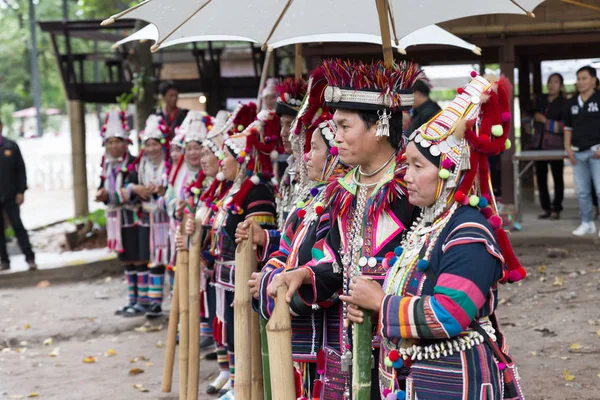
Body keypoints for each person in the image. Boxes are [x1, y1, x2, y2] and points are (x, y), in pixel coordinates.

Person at [342, 73, 525, 399]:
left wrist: (380, 303)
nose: (406, 176)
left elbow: (450, 313)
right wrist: (370, 307)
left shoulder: (469, 233)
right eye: (406, 164)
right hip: (416, 381)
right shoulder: (428, 226)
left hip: (454, 381)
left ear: (450, 171)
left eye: (417, 166)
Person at [267, 59, 421, 399]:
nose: (335, 139)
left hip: (405, 345)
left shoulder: (414, 188)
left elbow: (427, 264)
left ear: (380, 125)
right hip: (350, 342)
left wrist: (382, 299)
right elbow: (334, 260)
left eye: (343, 127)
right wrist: (305, 275)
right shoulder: (343, 189)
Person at [210, 106, 279, 400]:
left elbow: (252, 241)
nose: (220, 161)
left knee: (244, 331)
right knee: (227, 328)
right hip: (225, 275)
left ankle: (244, 384)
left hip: (243, 276)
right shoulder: (231, 190)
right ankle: (235, 379)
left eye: (225, 155)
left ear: (242, 160)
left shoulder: (258, 191)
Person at [96, 109, 149, 316]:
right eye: (109, 142)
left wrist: (118, 194)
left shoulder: (134, 164)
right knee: (126, 260)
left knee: (138, 258)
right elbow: (111, 191)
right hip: (117, 221)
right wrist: (107, 194)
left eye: (117, 141)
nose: (113, 146)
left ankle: (143, 300)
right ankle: (132, 299)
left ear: (125, 143)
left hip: (134, 219)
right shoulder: (106, 167)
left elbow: (139, 192)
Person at [126, 115, 172, 318]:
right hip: (147, 219)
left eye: (155, 144)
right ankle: (154, 302)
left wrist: (163, 191)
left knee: (170, 260)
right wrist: (136, 188)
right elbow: (128, 185)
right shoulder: (139, 165)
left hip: (167, 219)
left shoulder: (171, 164)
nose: (152, 148)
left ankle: (173, 300)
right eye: (148, 144)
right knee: (152, 260)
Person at [564, 66, 600, 236]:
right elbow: (568, 128)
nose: (581, 81)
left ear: (593, 80)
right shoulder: (571, 102)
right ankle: (587, 222)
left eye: (584, 78)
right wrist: (568, 149)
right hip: (577, 153)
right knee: (583, 191)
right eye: (578, 78)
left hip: (596, 152)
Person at [0, 118, 36, 271]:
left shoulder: (11, 146)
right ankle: (4, 261)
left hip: (10, 195)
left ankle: (30, 258)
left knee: (18, 226)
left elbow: (21, 170)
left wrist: (21, 191)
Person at [533, 73, 567, 220]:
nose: (552, 85)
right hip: (538, 145)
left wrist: (545, 121)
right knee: (541, 178)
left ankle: (556, 208)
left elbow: (565, 127)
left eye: (556, 82)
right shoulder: (540, 100)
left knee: (558, 178)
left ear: (561, 85)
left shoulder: (564, 103)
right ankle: (546, 208)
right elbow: (529, 116)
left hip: (556, 146)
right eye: (550, 82)